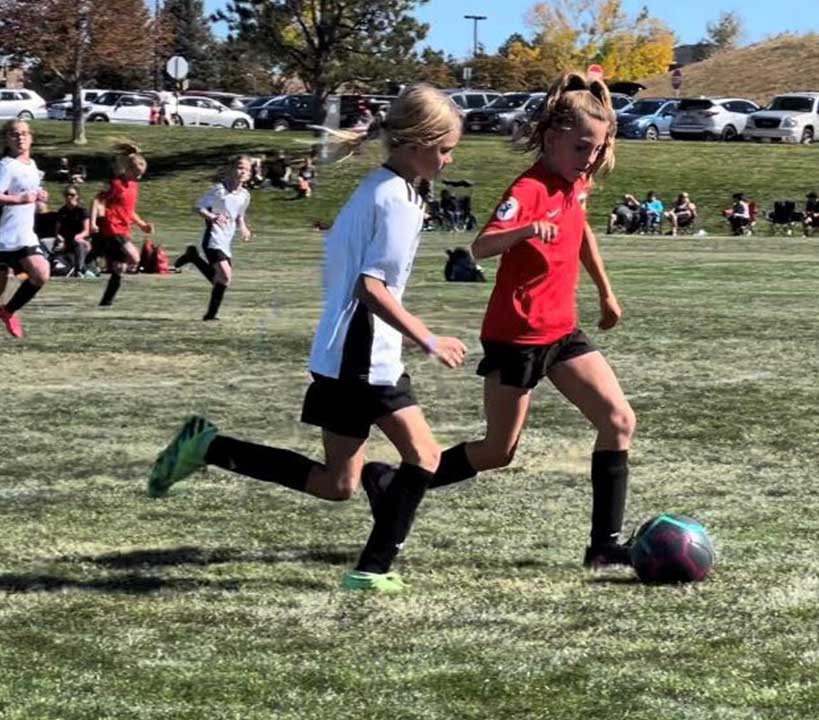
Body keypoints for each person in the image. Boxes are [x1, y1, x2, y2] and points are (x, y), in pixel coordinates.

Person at [148, 84, 469, 594]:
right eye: (446, 148)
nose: (450, 160)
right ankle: (373, 569)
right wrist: (426, 337)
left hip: (340, 352)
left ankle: (207, 446)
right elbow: (371, 287)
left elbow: (355, 281)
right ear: (415, 143)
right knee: (425, 456)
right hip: (364, 357)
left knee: (337, 484)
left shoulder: (376, 188)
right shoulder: (398, 199)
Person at [411, 69, 638, 574]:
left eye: (598, 149)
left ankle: (604, 547)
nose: (592, 158)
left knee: (619, 421)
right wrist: (523, 231)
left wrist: (605, 291)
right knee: (497, 451)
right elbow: (480, 246)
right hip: (516, 334)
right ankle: (399, 483)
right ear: (554, 138)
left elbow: (580, 235)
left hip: (562, 331)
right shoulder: (530, 187)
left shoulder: (577, 181)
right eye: (583, 147)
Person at [173, 156, 253, 321]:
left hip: (226, 240)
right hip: (213, 238)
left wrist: (243, 227)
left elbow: (239, 216)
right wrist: (212, 217)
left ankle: (210, 315)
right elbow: (198, 207)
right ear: (231, 169)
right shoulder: (219, 190)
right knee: (225, 275)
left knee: (222, 280)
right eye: (240, 167)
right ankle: (194, 258)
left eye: (247, 169)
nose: (243, 171)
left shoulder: (245, 195)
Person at [0, 119, 49, 339]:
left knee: (41, 274)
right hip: (2, 237)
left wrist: (40, 197)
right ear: (7, 140)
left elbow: (32, 193)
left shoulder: (32, 166)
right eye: (14, 134)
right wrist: (19, 199)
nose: (19, 137)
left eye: (23, 133)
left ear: (31, 138)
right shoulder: (5, 166)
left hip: (23, 236)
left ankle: (8, 311)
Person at [93, 144, 154, 307]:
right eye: (137, 174)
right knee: (135, 257)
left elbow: (130, 211)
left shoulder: (134, 186)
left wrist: (142, 225)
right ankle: (100, 253)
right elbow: (98, 199)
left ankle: (106, 301)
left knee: (120, 268)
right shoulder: (116, 184)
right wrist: (93, 221)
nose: (139, 178)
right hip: (112, 229)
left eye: (141, 175)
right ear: (128, 169)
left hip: (124, 229)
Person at [55, 185, 92, 277]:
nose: (69, 197)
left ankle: (79, 270)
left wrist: (78, 237)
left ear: (77, 196)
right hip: (66, 243)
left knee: (78, 242)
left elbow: (86, 231)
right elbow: (57, 231)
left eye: (72, 195)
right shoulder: (62, 212)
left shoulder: (82, 211)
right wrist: (60, 239)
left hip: (80, 241)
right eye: (67, 195)